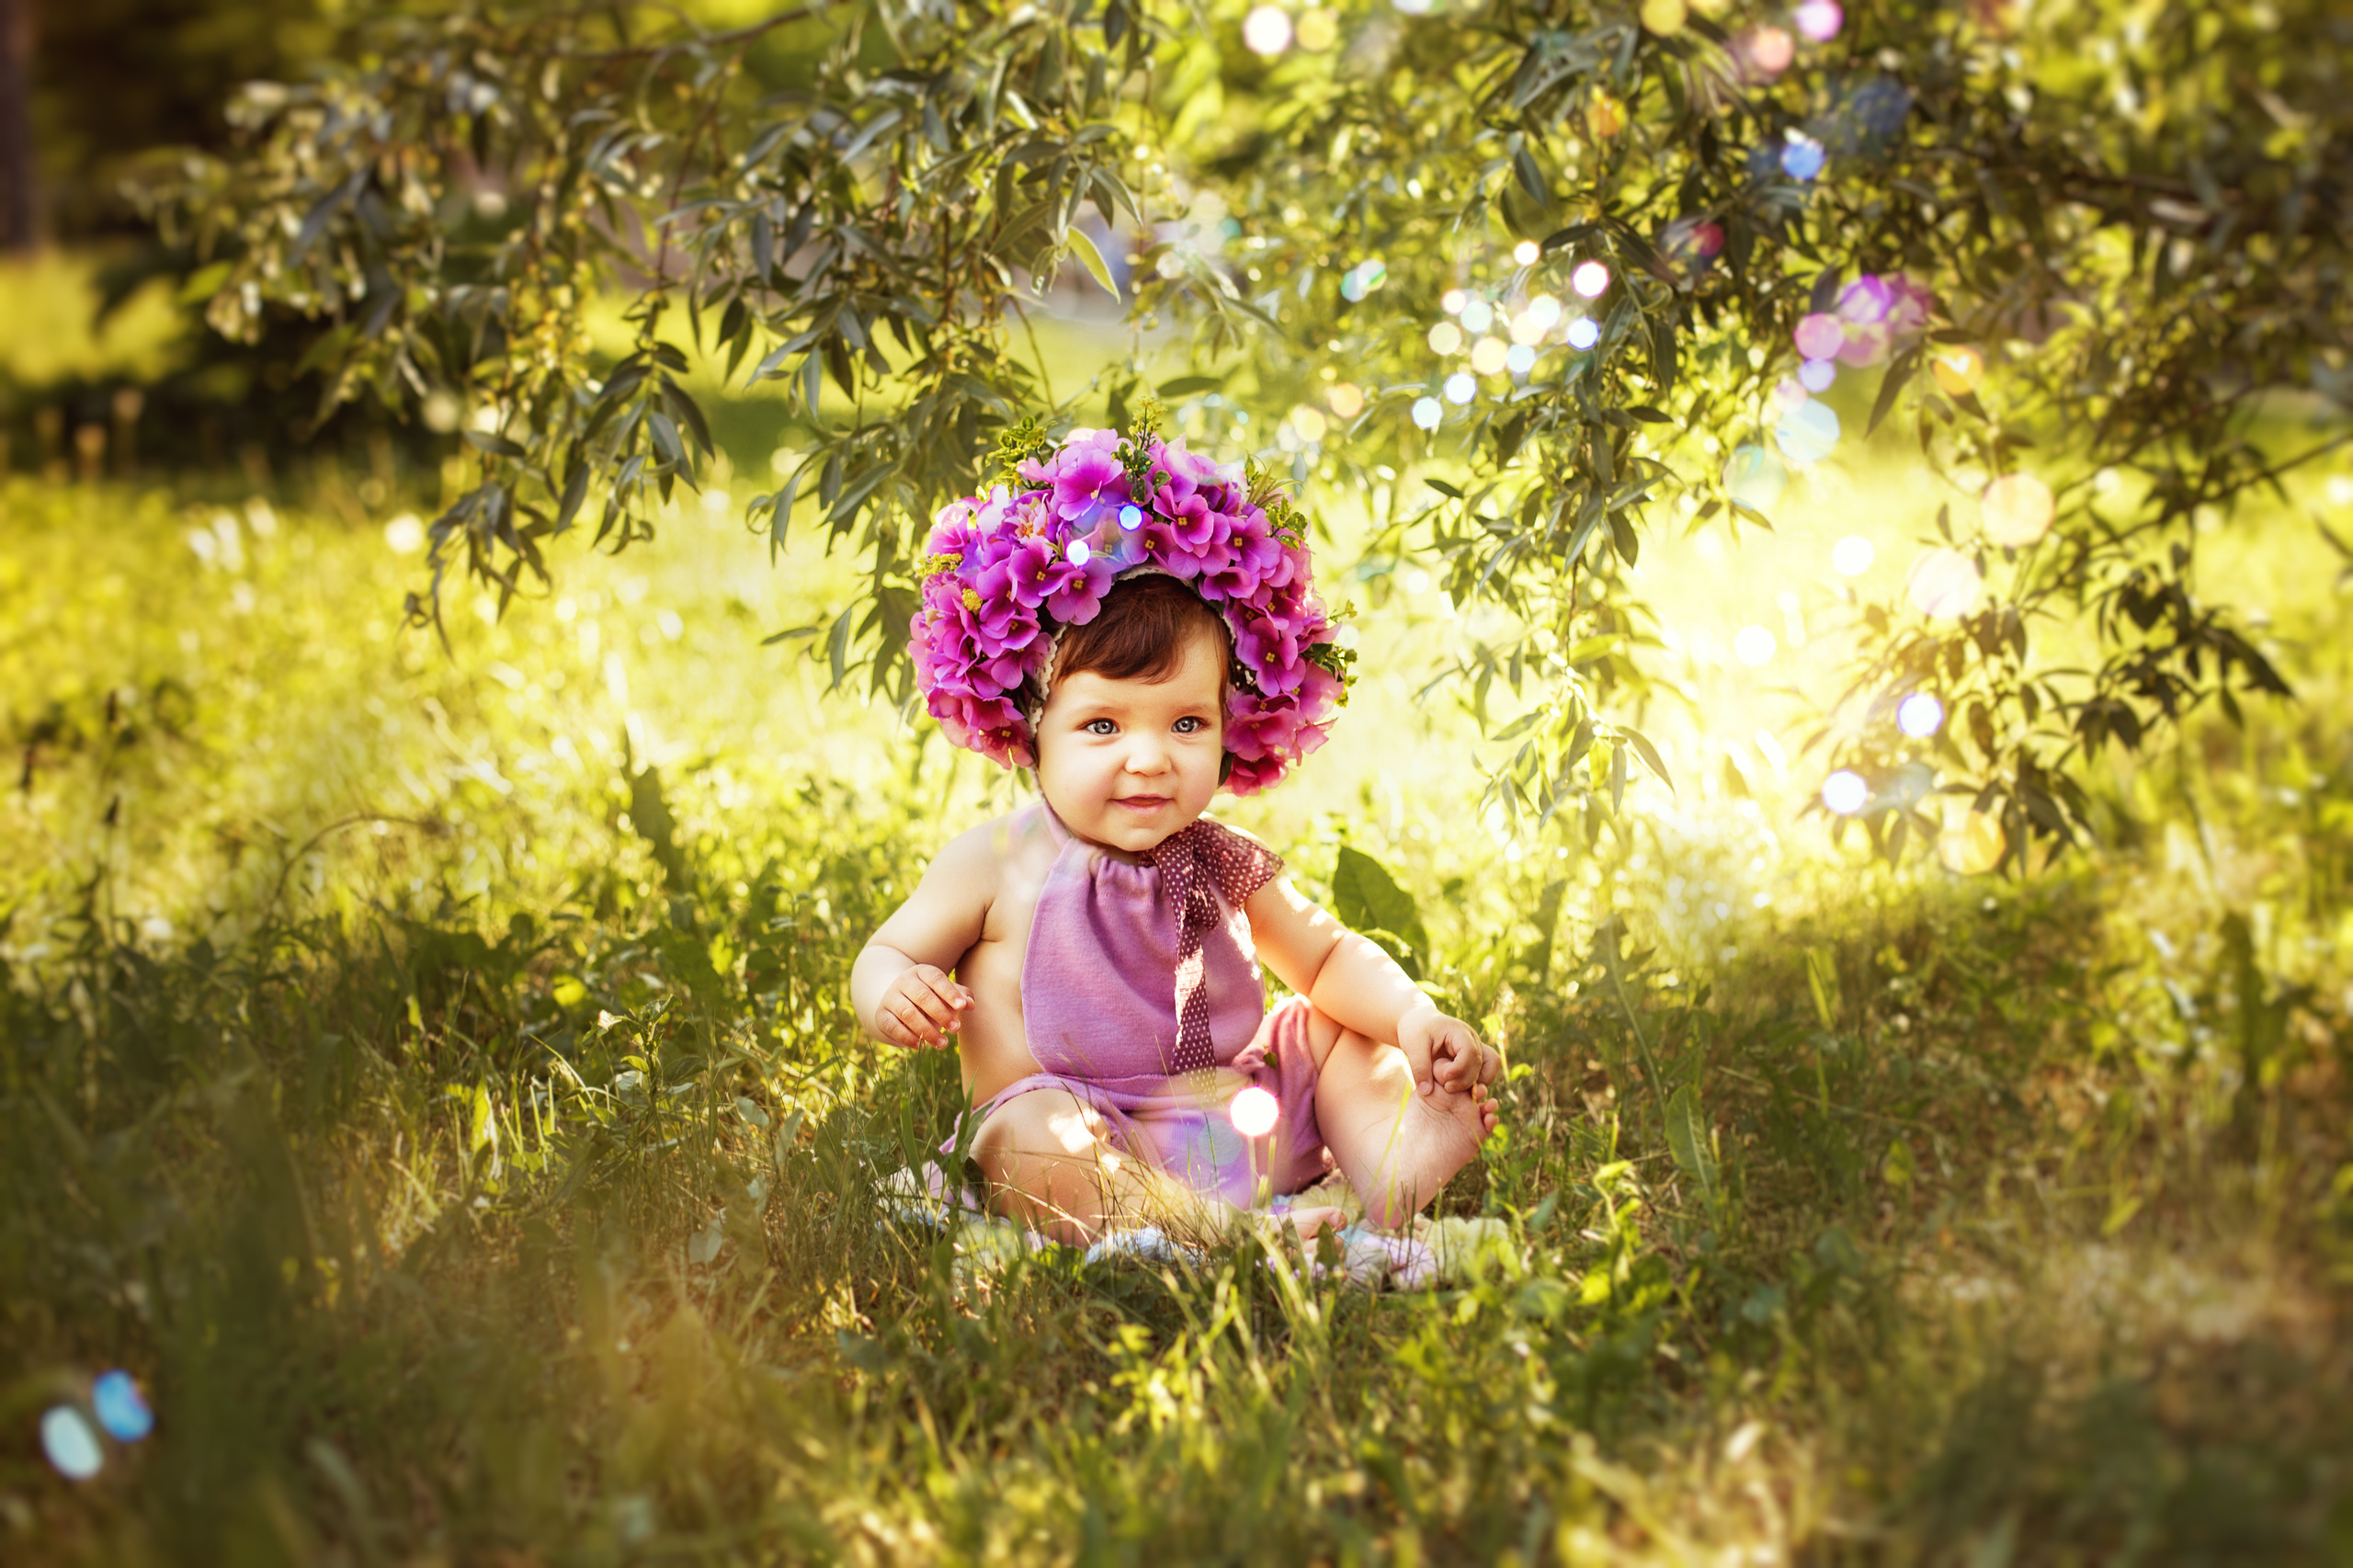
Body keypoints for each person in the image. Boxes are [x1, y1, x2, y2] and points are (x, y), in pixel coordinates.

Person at [849, 418, 1502, 1244]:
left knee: (1336, 1025)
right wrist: (894, 991)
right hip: (1084, 1137)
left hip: (1235, 1123)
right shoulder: (994, 863)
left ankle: (1391, 1160)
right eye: (1103, 726)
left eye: (1187, 723)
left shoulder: (1222, 859)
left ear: (1232, 725)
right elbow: (885, 953)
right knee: (1019, 1135)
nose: (1150, 758)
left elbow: (1328, 956)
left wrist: (1410, 1020)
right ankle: (1206, 1230)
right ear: (1032, 730)